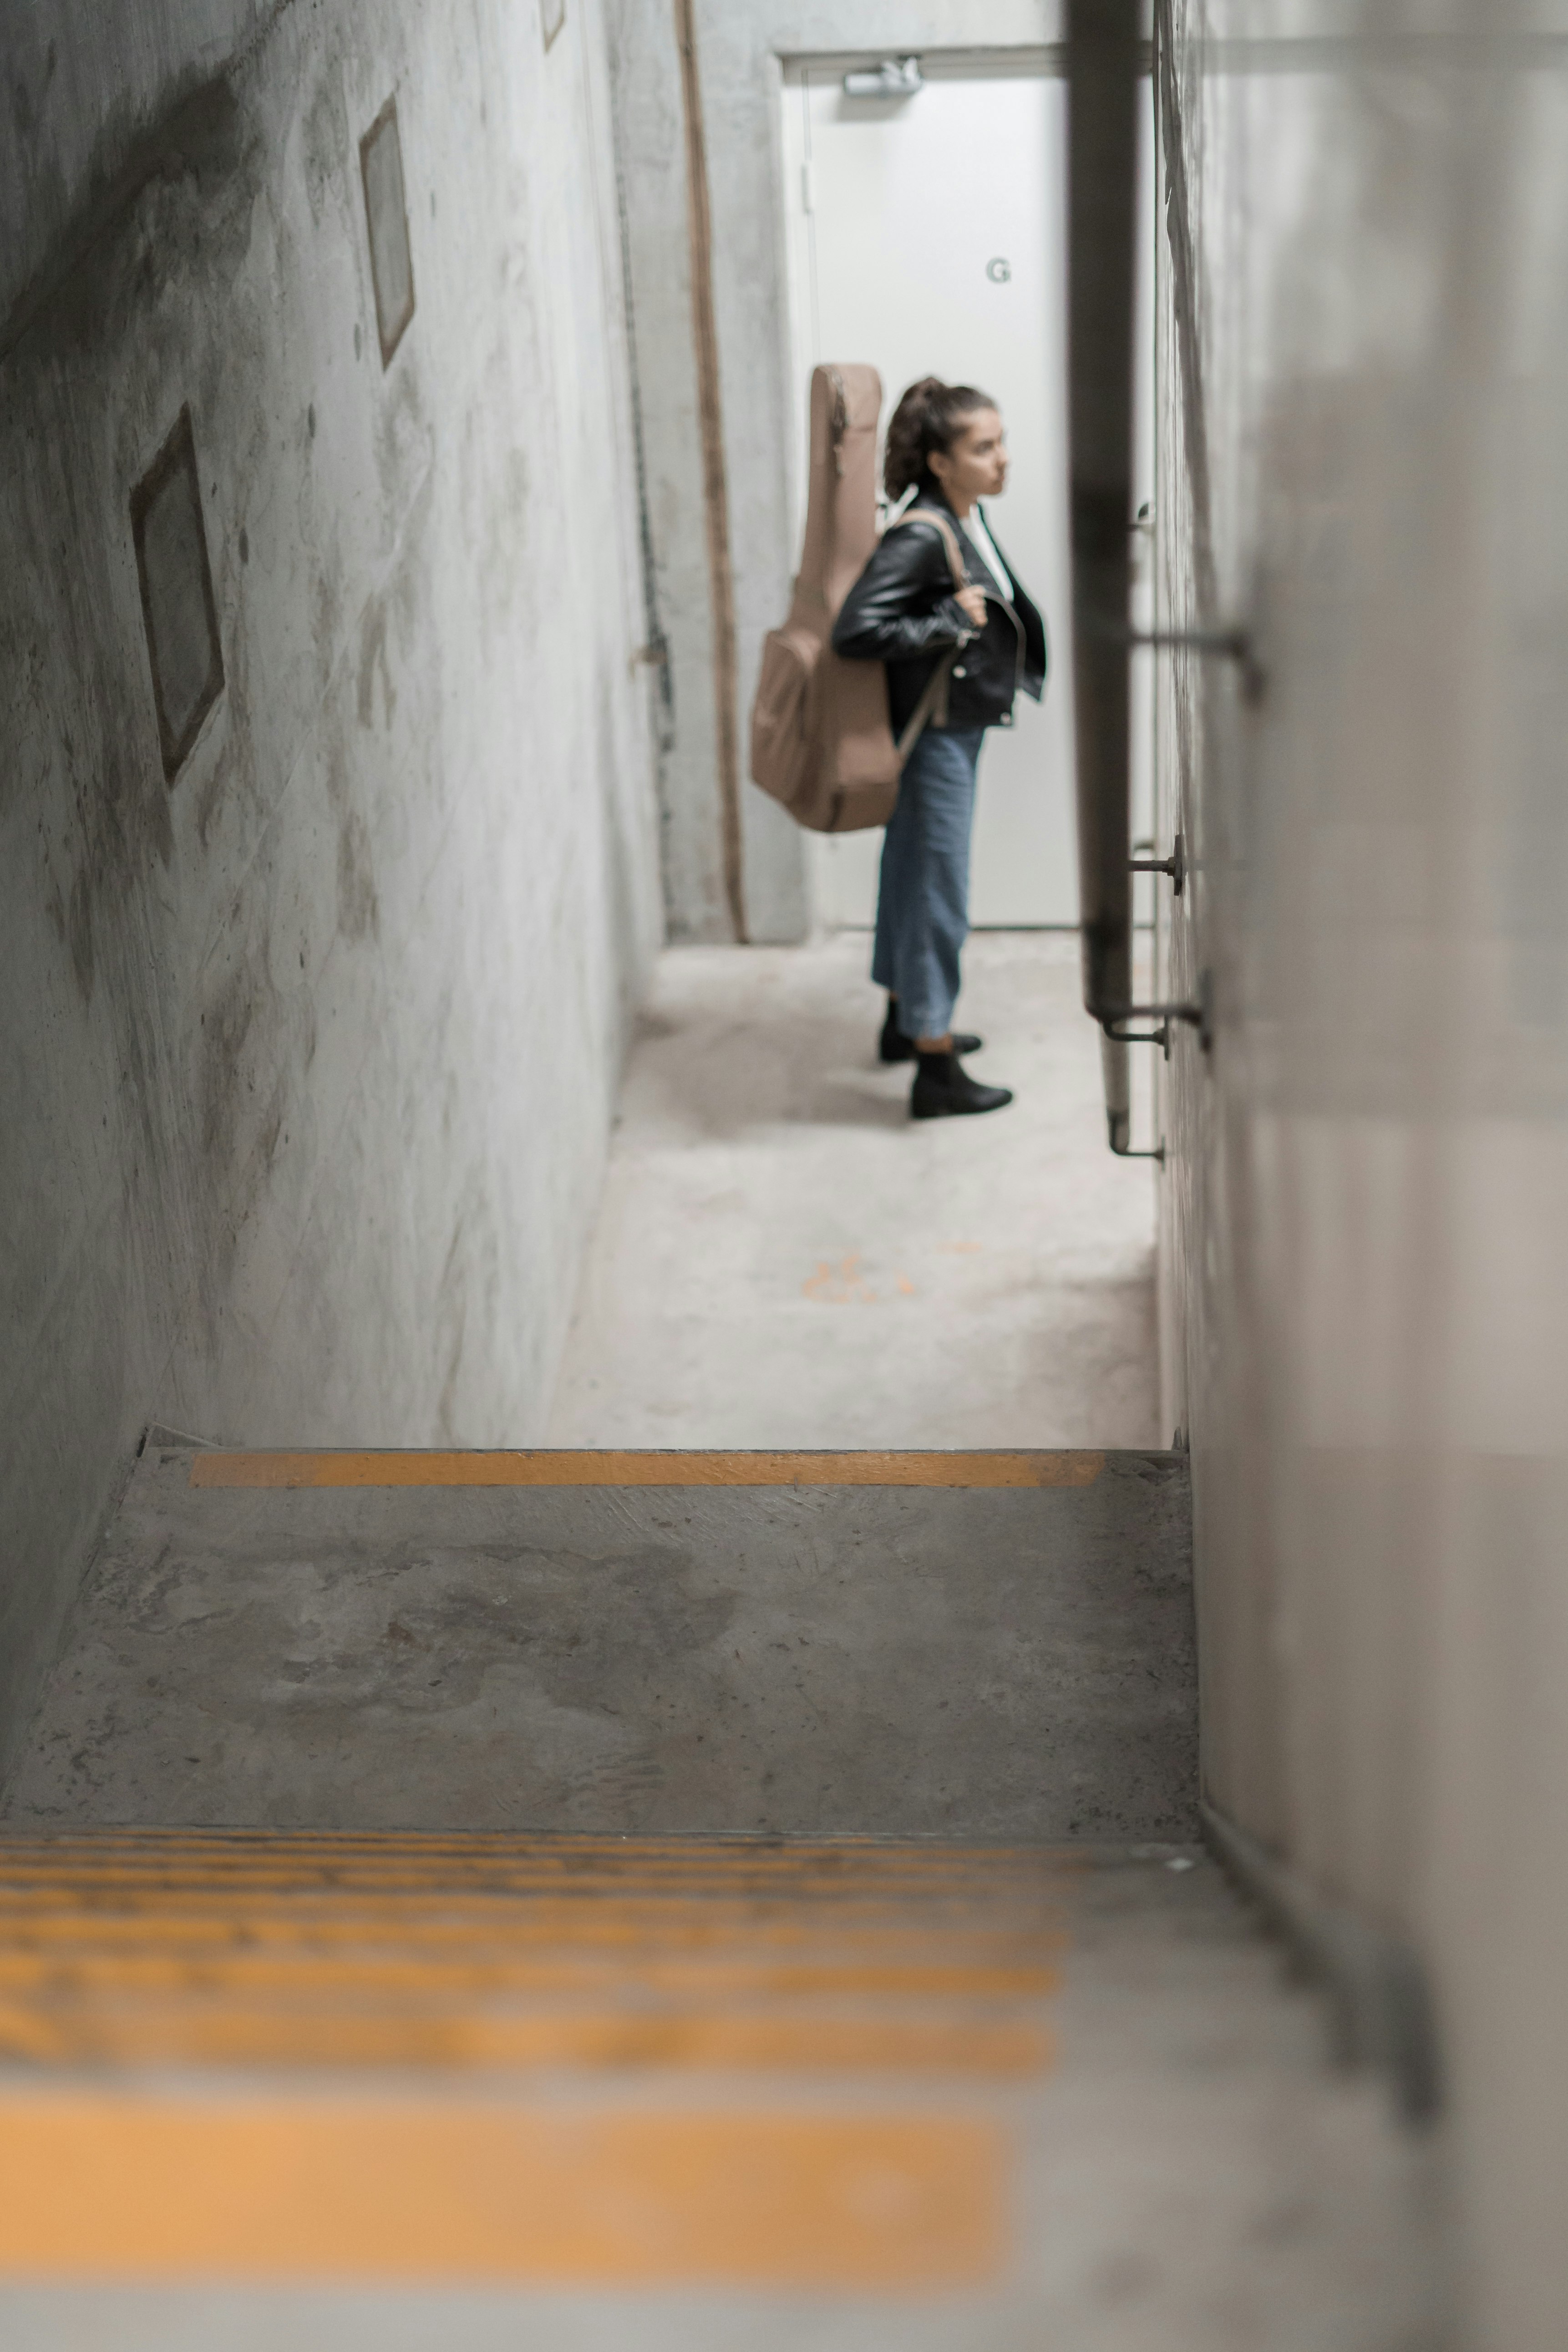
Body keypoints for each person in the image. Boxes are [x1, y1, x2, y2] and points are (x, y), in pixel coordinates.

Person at [832, 378, 1046, 1118]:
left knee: (911, 875)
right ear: (939, 461)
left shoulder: (959, 516)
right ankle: (934, 1064)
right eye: (982, 448)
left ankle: (903, 1021)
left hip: (953, 729)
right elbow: (855, 631)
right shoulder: (923, 533)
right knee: (936, 892)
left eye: (1000, 441)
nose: (1002, 460)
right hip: (935, 742)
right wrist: (945, 624)